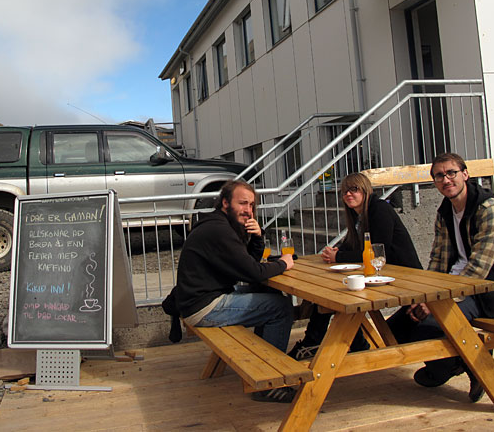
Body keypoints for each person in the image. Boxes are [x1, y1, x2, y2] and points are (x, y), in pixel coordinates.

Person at [387, 152, 494, 402]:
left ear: (465, 174)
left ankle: (472, 366)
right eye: (439, 176)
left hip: (488, 289)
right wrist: (424, 295)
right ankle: (452, 364)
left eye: (451, 172)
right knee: (396, 329)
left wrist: (435, 302)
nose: (446, 179)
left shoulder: (489, 210)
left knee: (429, 327)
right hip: (452, 285)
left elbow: (478, 269)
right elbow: (438, 260)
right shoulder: (445, 211)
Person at [175, 179, 296, 403]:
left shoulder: (218, 225)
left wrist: (258, 237)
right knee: (280, 308)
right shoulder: (218, 231)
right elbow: (254, 272)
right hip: (204, 307)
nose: (248, 211)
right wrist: (284, 264)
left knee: (271, 297)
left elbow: (247, 264)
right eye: (242, 203)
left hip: (201, 299)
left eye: (251, 205)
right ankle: (268, 383)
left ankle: (263, 364)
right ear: (225, 203)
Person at [289, 172, 422, 360]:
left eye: (354, 189)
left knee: (338, 295)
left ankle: (314, 341)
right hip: (381, 274)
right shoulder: (358, 216)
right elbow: (352, 245)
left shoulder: (379, 209)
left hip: (404, 276)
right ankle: (352, 343)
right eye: (345, 192)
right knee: (335, 292)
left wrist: (339, 257)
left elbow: (377, 251)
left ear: (365, 190)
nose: (349, 194)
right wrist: (334, 252)